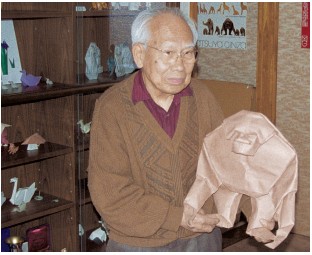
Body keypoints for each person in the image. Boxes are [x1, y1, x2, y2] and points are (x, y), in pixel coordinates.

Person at [88, 7, 274, 252]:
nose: (180, 65)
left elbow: (228, 163)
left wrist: (256, 210)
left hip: (202, 237)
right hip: (139, 242)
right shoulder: (113, 108)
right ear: (139, 54)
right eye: (168, 52)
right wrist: (178, 217)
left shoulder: (202, 98)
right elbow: (110, 193)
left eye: (188, 53)